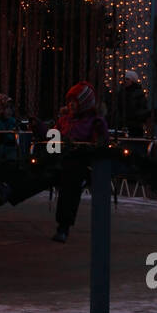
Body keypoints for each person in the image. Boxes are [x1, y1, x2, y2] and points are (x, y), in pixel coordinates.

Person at [48, 82, 108, 242]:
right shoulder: (64, 120)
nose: (71, 105)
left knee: (70, 182)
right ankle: (9, 191)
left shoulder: (94, 121)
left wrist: (99, 133)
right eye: (69, 101)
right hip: (60, 158)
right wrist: (41, 129)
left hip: (79, 161)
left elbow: (99, 144)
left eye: (75, 101)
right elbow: (52, 139)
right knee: (39, 168)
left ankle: (63, 226)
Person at [113, 70, 152, 138]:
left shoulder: (138, 94)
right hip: (122, 125)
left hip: (134, 127)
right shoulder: (121, 92)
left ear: (133, 81)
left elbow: (142, 109)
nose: (125, 81)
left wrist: (134, 115)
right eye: (124, 79)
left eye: (127, 79)